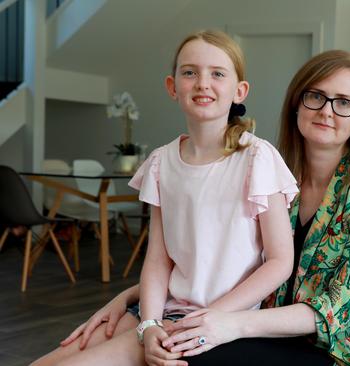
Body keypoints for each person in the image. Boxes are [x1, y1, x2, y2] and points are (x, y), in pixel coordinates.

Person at [40, 49, 350, 366]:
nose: (326, 111)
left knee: (164, 348)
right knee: (98, 335)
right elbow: (219, 257)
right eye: (316, 97)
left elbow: (340, 307)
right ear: (296, 104)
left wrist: (225, 323)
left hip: (325, 349)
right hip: (238, 321)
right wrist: (131, 296)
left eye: (343, 102)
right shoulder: (272, 170)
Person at [31, 30, 298, 366]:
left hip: (208, 321)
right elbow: (158, 259)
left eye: (217, 73)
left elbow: (279, 262)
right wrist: (148, 324)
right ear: (173, 87)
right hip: (158, 309)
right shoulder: (161, 162)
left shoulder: (257, 158)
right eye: (190, 72)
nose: (202, 82)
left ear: (239, 90)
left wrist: (207, 319)